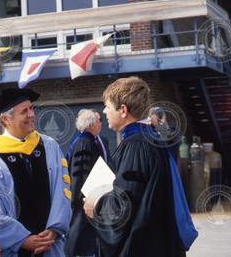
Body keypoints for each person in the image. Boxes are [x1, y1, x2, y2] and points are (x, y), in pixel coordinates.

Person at [83, 76, 198, 257]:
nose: (104, 111)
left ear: (123, 110)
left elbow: (125, 206)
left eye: (107, 106)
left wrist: (96, 204)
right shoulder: (152, 139)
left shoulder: (136, 146)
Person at [0, 88, 71, 257]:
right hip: (13, 250)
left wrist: (54, 229)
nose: (31, 114)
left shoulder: (49, 146)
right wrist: (21, 239)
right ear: (6, 119)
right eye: (24, 111)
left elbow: (62, 190)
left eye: (31, 109)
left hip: (50, 246)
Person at [64, 109, 106, 257]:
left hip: (87, 200)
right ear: (91, 124)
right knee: (80, 240)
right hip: (84, 202)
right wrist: (80, 200)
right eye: (98, 121)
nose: (101, 124)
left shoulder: (86, 141)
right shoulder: (84, 143)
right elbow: (80, 175)